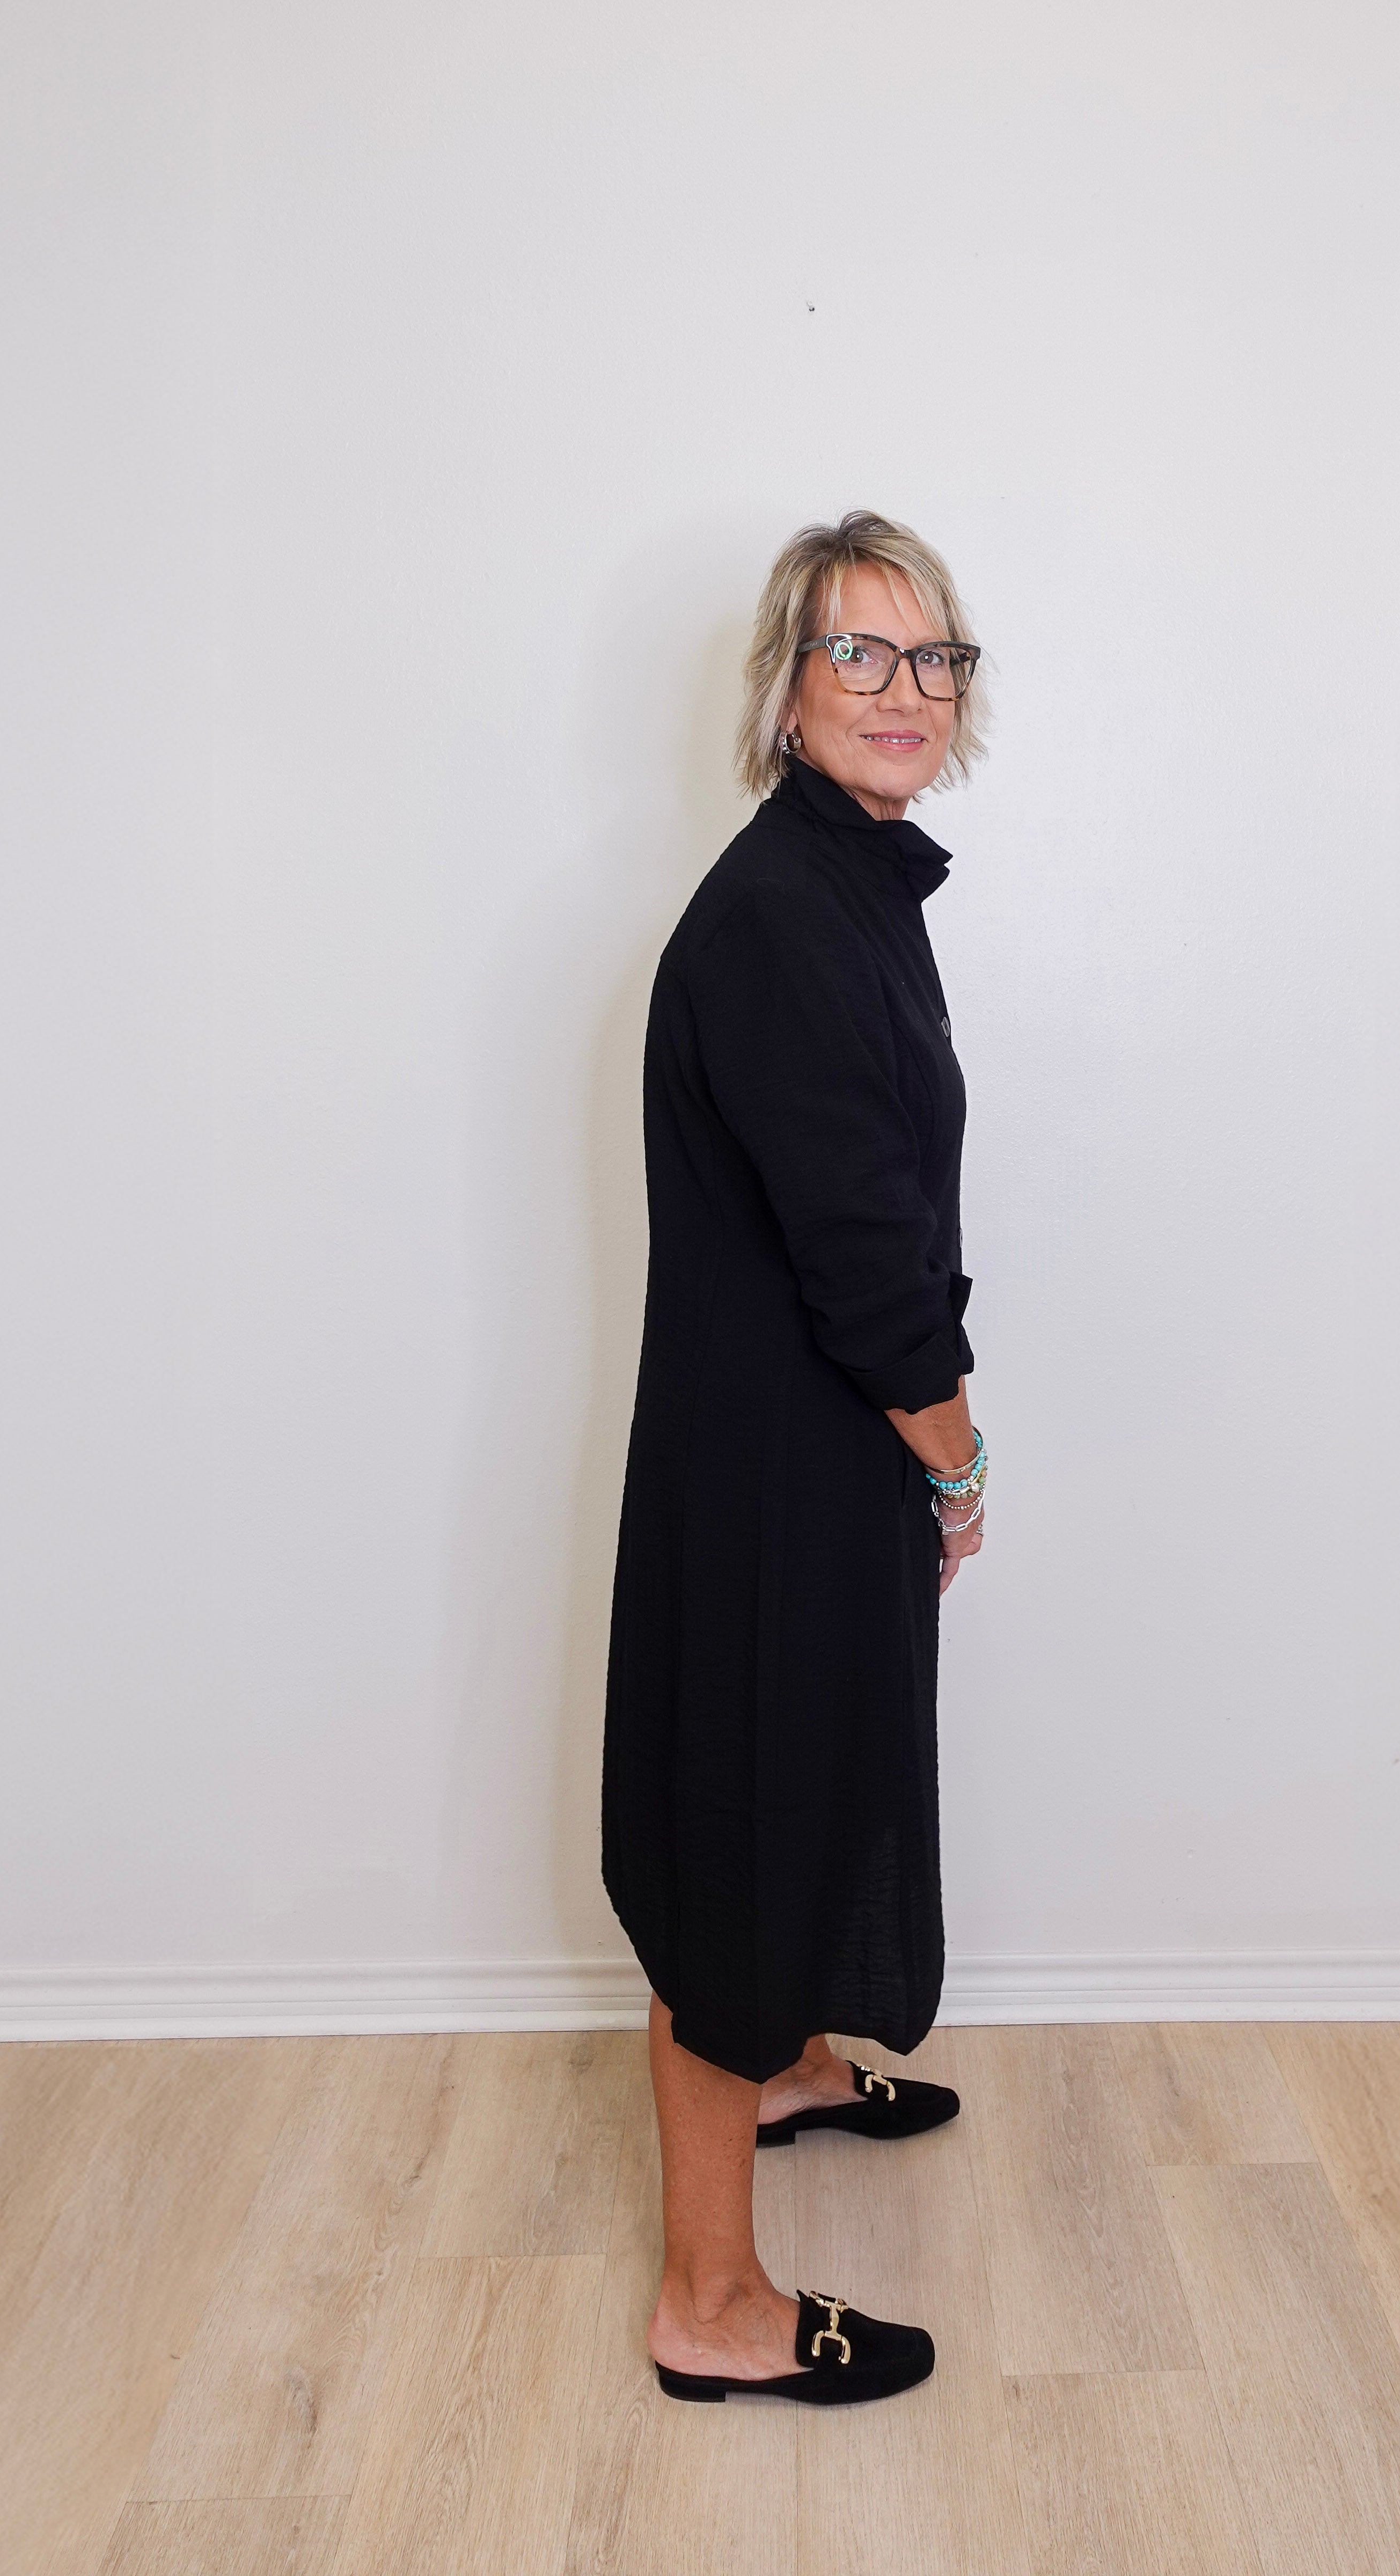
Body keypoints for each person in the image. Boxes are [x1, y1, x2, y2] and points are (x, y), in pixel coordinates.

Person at [602, 511, 990, 2406]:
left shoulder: (854, 893)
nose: (904, 693)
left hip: (811, 1453)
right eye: (860, 655)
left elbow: (898, 1193)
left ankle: (789, 2071)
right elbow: (864, 1259)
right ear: (783, 691)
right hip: (771, 1476)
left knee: (803, 1785)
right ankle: (712, 2306)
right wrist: (957, 1458)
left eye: (935, 661)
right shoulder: (777, 921)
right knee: (729, 1850)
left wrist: (915, 1435)